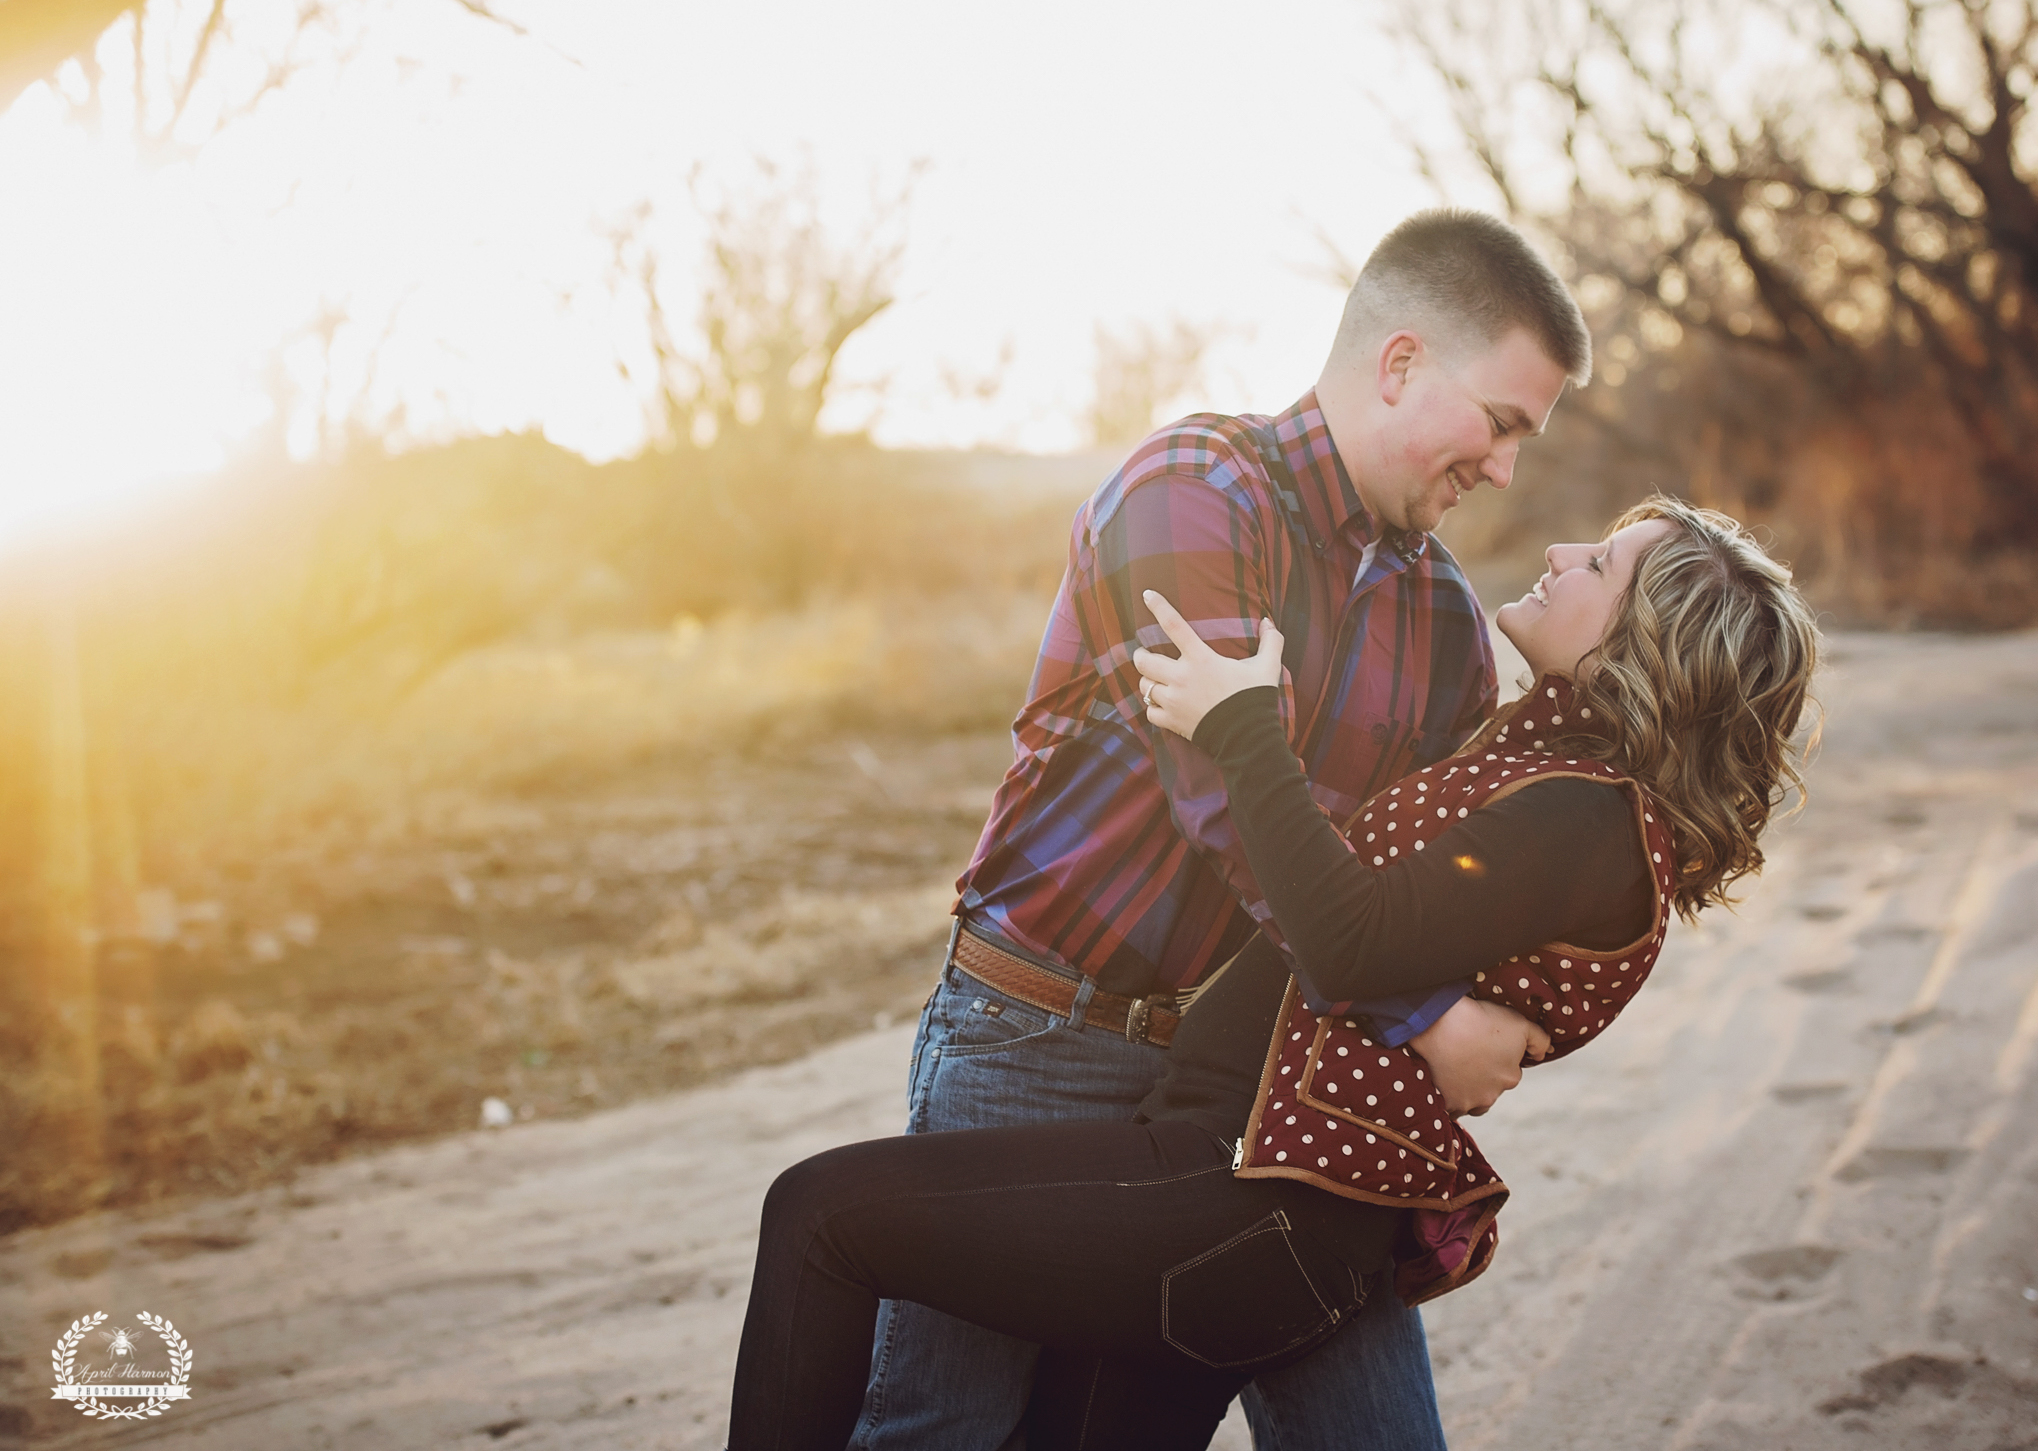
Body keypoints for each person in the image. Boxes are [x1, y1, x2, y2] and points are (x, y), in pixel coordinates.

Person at [726, 495, 1824, 1450]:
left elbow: (1349, 939)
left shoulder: (1587, 818)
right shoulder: (1552, 777)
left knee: (822, 1215)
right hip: (1255, 1198)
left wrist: (1246, 729)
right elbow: (1399, 940)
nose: (1563, 550)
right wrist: (1433, 1011)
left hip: (1244, 1197)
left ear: (1649, 645)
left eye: (1601, 566)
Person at [844, 209, 1591, 1451]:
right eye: (1503, 422)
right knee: (945, 1428)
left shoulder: (1452, 625)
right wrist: (1424, 1016)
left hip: (1263, 1084)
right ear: (1400, 364)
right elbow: (1233, 811)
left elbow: (1416, 880)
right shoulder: (1195, 491)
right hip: (1039, 1040)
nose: (1507, 469)